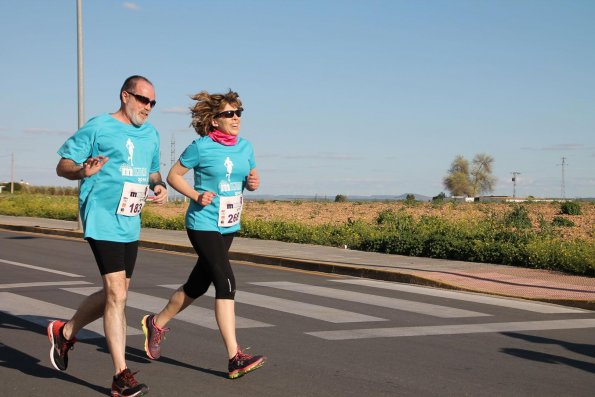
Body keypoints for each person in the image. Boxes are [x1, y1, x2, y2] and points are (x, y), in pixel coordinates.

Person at [48, 75, 167, 397]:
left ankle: (66, 331)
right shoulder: (98, 126)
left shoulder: (151, 134)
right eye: (144, 100)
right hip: (101, 216)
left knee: (118, 294)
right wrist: (82, 171)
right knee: (117, 293)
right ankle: (120, 374)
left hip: (130, 219)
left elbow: (153, 170)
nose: (148, 108)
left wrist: (159, 186)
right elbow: (63, 166)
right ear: (125, 96)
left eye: (153, 103)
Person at [141, 89, 265, 379]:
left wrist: (254, 182)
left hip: (228, 224)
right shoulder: (201, 147)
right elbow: (173, 176)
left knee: (197, 285)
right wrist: (196, 195)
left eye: (238, 113)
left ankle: (156, 323)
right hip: (203, 223)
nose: (235, 118)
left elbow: (250, 179)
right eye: (228, 114)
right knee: (226, 283)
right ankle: (235, 357)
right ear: (214, 120)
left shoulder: (246, 147)